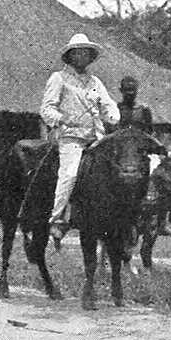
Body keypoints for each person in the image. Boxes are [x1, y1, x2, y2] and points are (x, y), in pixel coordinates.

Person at [41, 33, 120, 240]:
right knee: (70, 173)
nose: (82, 57)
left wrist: (113, 114)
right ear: (70, 56)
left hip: (97, 138)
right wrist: (62, 119)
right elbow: (47, 109)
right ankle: (57, 218)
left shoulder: (95, 82)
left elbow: (107, 104)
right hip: (71, 138)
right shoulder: (59, 78)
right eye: (77, 53)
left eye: (86, 53)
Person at [117, 76, 171, 238]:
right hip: (120, 151)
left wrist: (155, 147)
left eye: (132, 90)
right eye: (126, 90)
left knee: (160, 173)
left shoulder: (143, 110)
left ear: (137, 91)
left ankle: (161, 221)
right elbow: (109, 129)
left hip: (140, 151)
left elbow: (149, 132)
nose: (130, 93)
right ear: (121, 91)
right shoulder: (114, 109)